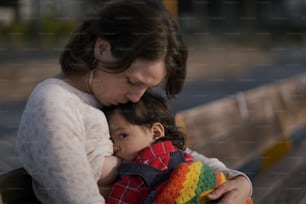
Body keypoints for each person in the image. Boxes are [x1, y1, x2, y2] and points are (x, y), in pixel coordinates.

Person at [16, 0, 252, 203]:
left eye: (147, 87)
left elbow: (171, 154)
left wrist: (238, 180)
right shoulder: (54, 104)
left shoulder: (106, 95)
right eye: (132, 81)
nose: (137, 96)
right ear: (102, 48)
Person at [102, 92, 253, 204]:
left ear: (155, 132)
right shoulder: (171, 154)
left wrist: (242, 181)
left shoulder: (136, 174)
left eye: (122, 136)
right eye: (111, 139)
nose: (114, 146)